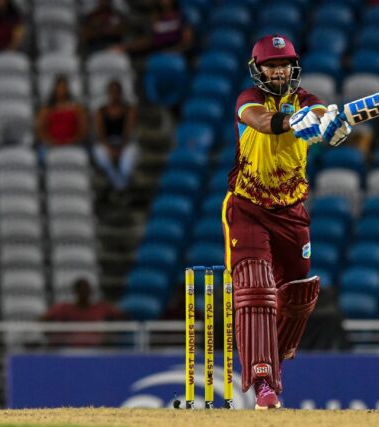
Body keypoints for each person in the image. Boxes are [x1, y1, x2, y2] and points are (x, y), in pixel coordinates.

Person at [222, 34, 351, 410]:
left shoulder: (306, 99)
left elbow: (320, 111)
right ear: (258, 70)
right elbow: (260, 121)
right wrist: (292, 121)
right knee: (257, 288)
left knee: (299, 294)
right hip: (247, 208)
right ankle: (263, 382)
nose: (278, 72)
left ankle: (272, 363)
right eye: (271, 66)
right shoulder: (248, 100)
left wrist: (331, 124)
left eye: (284, 65)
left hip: (291, 212)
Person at [41, 278, 127, 347]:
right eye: (81, 290)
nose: (84, 293)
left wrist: (110, 330)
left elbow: (123, 317)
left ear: (90, 291)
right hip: (70, 350)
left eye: (86, 290)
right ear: (75, 292)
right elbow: (43, 319)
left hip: (97, 350)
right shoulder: (65, 308)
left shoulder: (101, 308)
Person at [92, 80, 138, 192]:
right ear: (108, 93)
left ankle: (118, 187)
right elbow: (101, 134)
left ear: (121, 93)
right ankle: (121, 187)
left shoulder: (129, 110)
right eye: (112, 92)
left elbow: (128, 132)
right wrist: (109, 148)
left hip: (124, 142)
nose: (114, 94)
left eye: (117, 92)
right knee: (101, 156)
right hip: (107, 142)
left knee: (127, 162)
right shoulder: (100, 111)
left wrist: (121, 148)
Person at [114, 0, 192, 55]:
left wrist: (171, 52)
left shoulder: (181, 16)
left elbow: (187, 42)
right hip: (156, 53)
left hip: (177, 54)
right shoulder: (154, 17)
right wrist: (125, 47)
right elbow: (149, 40)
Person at [36, 75, 89, 148]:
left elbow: (83, 128)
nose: (62, 90)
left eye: (64, 87)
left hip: (73, 143)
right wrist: (51, 141)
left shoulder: (77, 108)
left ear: (67, 89)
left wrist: (73, 140)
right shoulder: (46, 109)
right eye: (59, 87)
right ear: (55, 89)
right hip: (51, 144)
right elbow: (40, 129)